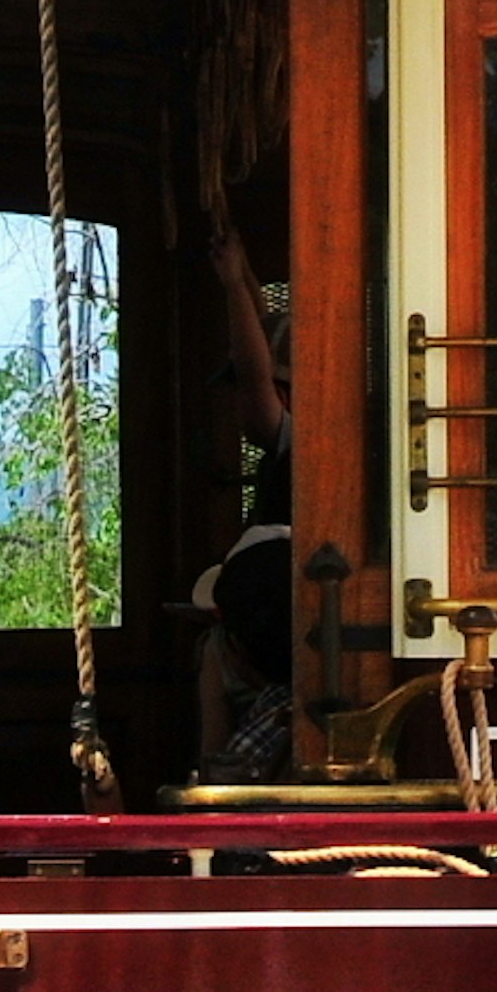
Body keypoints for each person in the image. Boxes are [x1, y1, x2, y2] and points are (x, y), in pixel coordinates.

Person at [188, 176, 299, 779]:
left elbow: (260, 387)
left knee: (211, 658)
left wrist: (233, 283)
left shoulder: (296, 440)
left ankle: (210, 774)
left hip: (274, 632)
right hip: (282, 625)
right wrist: (247, 277)